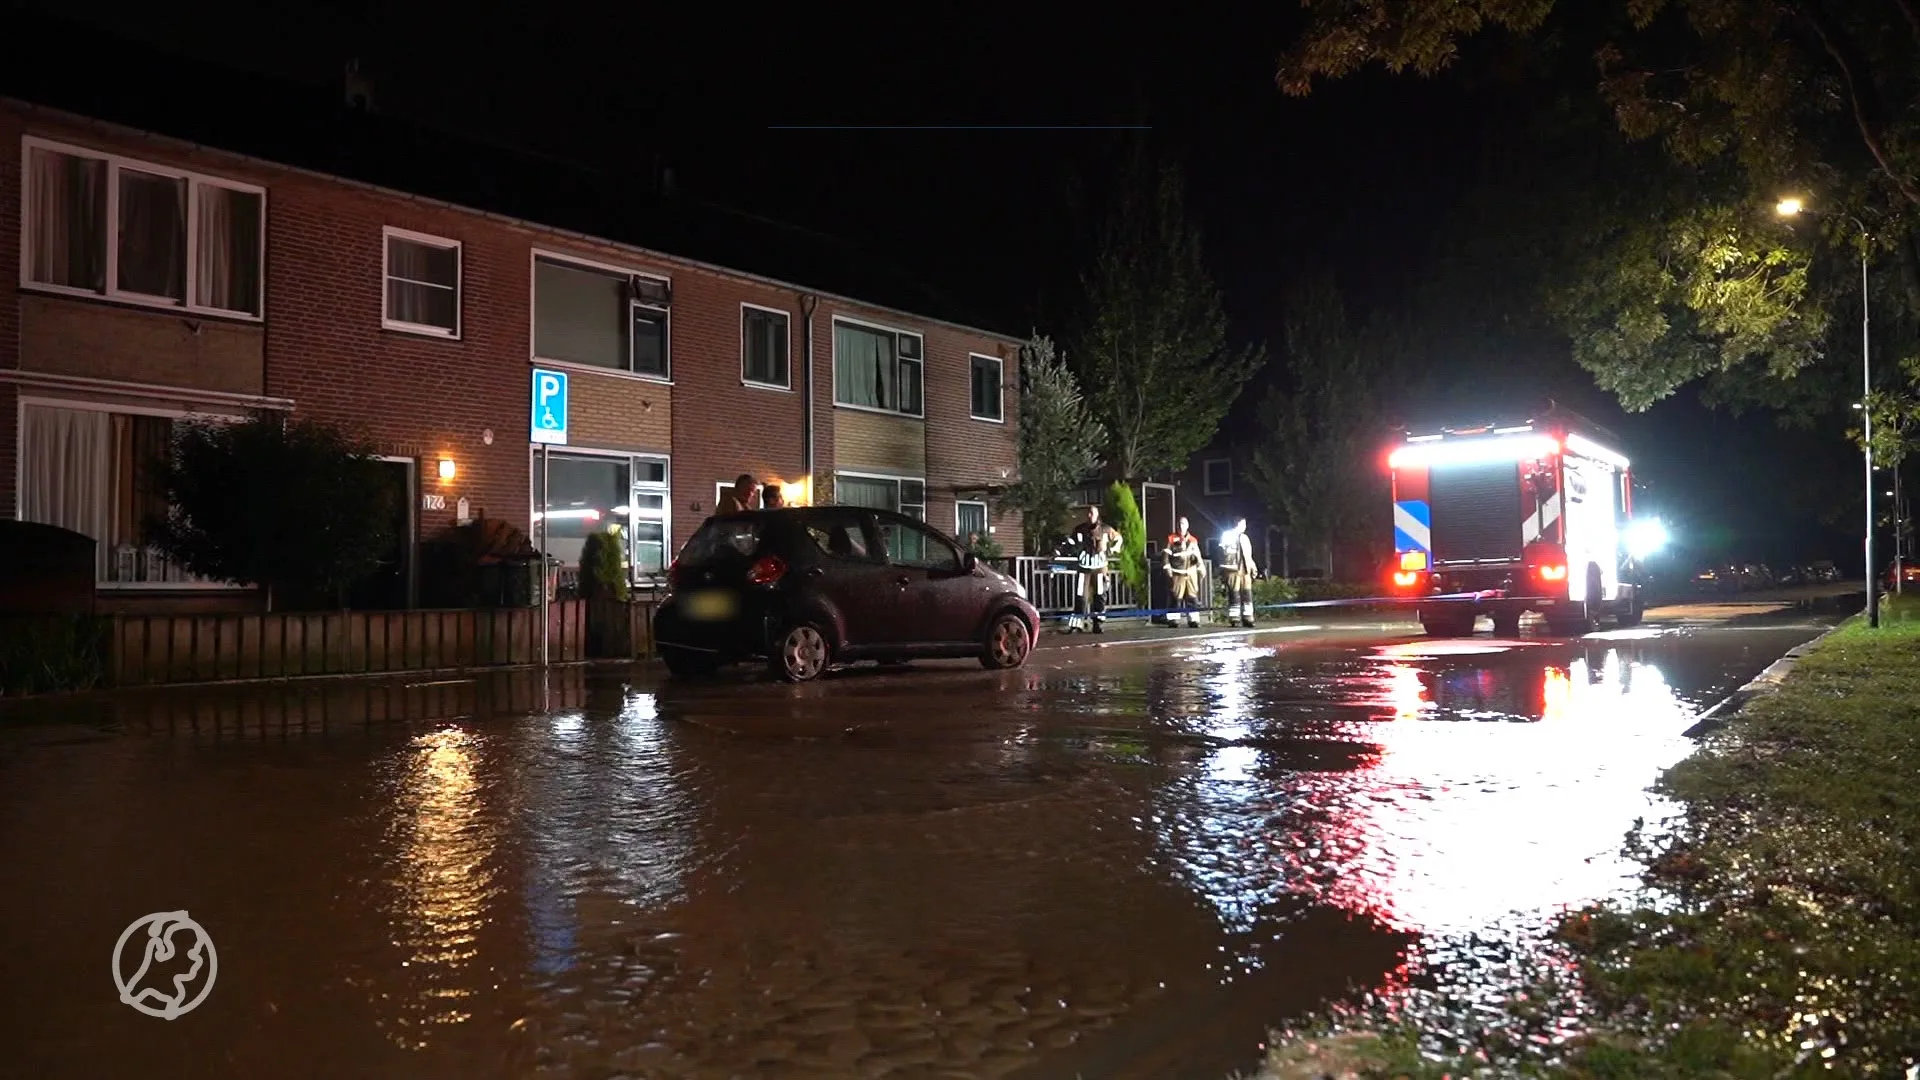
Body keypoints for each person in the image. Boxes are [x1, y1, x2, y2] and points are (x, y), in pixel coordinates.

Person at [1059, 504, 1123, 633]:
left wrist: (1110, 550)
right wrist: (1064, 551)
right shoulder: (1080, 529)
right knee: (1080, 595)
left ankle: (1097, 623)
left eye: (1092, 513)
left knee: (1099, 595)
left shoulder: (1105, 529)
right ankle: (1077, 624)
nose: (1089, 516)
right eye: (1088, 513)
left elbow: (1119, 539)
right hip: (1083, 567)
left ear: (1097, 515)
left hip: (1099, 568)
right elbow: (1070, 543)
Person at [1164, 516, 1203, 629]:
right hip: (1177, 573)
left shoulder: (1193, 540)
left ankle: (1193, 620)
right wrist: (1168, 569)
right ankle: (1173, 620)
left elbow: (1198, 556)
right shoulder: (1171, 539)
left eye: (1184, 524)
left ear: (1187, 525)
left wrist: (1200, 566)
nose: (1182, 526)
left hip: (1190, 573)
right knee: (1175, 597)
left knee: (1192, 597)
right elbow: (1166, 555)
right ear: (1177, 525)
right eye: (1180, 524)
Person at [1220, 519, 1258, 628]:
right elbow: (1223, 553)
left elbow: (1248, 555)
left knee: (1247, 594)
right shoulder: (1227, 535)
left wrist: (1253, 568)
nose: (1245, 526)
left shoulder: (1245, 538)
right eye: (1243, 524)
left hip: (1245, 570)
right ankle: (1235, 618)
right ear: (1238, 524)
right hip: (1232, 570)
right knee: (1234, 594)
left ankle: (1248, 618)